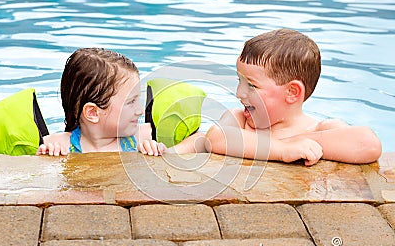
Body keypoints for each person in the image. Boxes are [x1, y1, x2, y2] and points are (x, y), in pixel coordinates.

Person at [205, 28, 382, 165]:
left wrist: (301, 141)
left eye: (251, 85)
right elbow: (215, 138)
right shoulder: (239, 120)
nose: (239, 93)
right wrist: (282, 148)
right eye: (240, 81)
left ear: (291, 92)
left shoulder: (320, 129)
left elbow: (368, 144)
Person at [37, 47, 204, 156]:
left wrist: (168, 151)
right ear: (93, 113)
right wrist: (45, 158)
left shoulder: (142, 137)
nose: (139, 110)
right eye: (131, 102)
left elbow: (202, 140)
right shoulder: (58, 146)